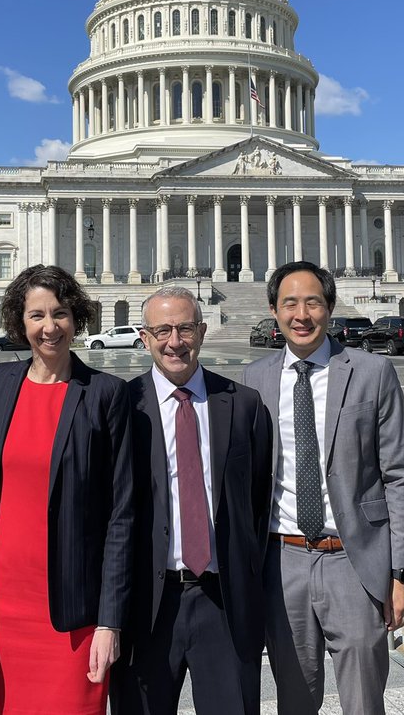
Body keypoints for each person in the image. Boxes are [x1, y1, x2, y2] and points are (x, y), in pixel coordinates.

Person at [243, 262, 404, 715]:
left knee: (364, 699)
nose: (301, 314)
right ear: (273, 310)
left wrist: (401, 572)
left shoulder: (372, 371)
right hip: (281, 561)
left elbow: (401, 475)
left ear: (329, 308)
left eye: (312, 302)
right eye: (290, 303)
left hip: (353, 559)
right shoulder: (253, 380)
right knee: (294, 697)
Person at [0, 264, 133, 715]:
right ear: (20, 324)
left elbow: (122, 514)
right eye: (36, 315)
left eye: (59, 313)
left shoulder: (105, 393)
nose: (49, 327)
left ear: (76, 318)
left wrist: (109, 621)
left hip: (71, 605)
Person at [111, 287, 272, 715]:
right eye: (162, 330)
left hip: (223, 601)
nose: (174, 341)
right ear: (145, 338)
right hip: (147, 602)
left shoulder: (243, 404)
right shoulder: (123, 406)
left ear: (202, 331)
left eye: (184, 328)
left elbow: (256, 501)